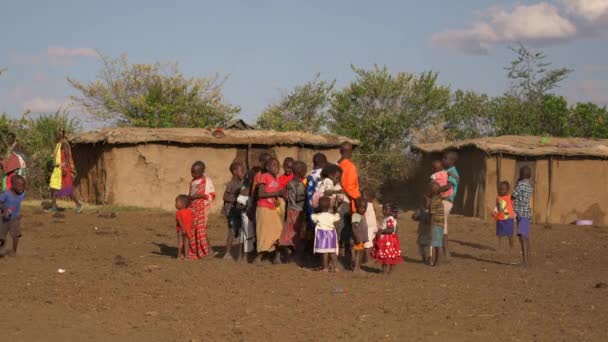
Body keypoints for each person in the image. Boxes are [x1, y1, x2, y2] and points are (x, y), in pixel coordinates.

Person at [255, 158, 284, 264]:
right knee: (265, 234)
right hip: (263, 208)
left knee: (279, 233)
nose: (277, 167)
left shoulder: (276, 179)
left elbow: (274, 194)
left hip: (272, 209)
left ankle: (277, 257)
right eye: (274, 165)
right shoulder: (264, 177)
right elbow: (261, 194)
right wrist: (277, 194)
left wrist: (276, 201)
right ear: (267, 167)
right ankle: (258, 258)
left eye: (278, 165)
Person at [48, 128, 83, 213]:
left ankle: (78, 204)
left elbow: (67, 158)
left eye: (57, 134)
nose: (55, 135)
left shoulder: (64, 143)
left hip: (62, 169)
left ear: (61, 134)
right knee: (53, 187)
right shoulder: (58, 144)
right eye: (55, 134)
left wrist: (64, 168)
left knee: (67, 189)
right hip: (57, 169)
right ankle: (53, 207)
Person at [279, 161, 307, 262]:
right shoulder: (299, 184)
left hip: (290, 209)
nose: (305, 172)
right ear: (300, 172)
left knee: (289, 232)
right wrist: (307, 195)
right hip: (298, 211)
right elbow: (299, 198)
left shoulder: (289, 183)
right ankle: (296, 256)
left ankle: (287, 254)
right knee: (297, 234)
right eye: (304, 170)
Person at [188, 161, 215, 259]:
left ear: (202, 171)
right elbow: (190, 195)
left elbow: (212, 196)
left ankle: (208, 251)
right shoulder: (192, 182)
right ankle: (200, 251)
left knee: (201, 229)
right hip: (193, 208)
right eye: (192, 172)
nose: (193, 174)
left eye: (195, 172)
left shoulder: (207, 181)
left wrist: (201, 195)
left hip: (203, 208)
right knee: (194, 229)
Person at [337, 142, 360, 258]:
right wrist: (358, 199)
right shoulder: (350, 166)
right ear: (350, 152)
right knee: (347, 230)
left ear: (340, 151)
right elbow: (350, 187)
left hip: (338, 201)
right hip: (349, 201)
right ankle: (344, 256)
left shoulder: (337, 165)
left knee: (339, 228)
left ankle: (339, 253)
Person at [222, 162, 246, 261]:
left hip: (241, 211)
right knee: (231, 232)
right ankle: (227, 253)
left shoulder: (244, 183)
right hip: (232, 212)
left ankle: (240, 255)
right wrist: (235, 200)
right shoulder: (231, 184)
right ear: (234, 172)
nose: (243, 172)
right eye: (241, 170)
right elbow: (225, 196)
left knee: (242, 232)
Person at [439, 151, 459, 259]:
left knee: (442, 225)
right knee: (441, 225)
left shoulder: (453, 171)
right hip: (444, 200)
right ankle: (444, 252)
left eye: (445, 158)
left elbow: (447, 186)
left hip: (446, 201)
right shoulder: (447, 171)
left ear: (451, 161)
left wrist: (437, 191)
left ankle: (445, 252)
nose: (443, 160)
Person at [312, 196, 340, 272]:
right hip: (331, 235)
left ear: (319, 206)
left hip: (322, 235)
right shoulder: (331, 216)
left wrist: (314, 209)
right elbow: (337, 217)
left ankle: (325, 268)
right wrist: (336, 210)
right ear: (329, 206)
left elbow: (312, 217)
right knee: (332, 252)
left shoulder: (318, 216)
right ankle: (336, 267)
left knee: (325, 253)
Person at [371, 203, 402, 274]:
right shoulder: (390, 219)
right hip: (391, 240)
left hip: (387, 240)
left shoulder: (389, 219)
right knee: (390, 256)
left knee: (386, 256)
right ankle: (388, 271)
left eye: (386, 210)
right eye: (383, 209)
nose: (384, 211)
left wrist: (382, 231)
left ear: (391, 211)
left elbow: (391, 229)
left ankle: (386, 271)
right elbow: (396, 230)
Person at [0, 175, 26, 257]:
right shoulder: (6, 194)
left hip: (15, 218)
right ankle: (1, 250)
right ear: (13, 185)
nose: (22, 188)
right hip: (4, 218)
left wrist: (19, 213)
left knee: (16, 235)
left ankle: (14, 252)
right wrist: (4, 209)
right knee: (1, 237)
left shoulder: (22, 194)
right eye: (20, 186)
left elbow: (18, 203)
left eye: (23, 185)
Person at [512, 166, 533, 266]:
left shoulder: (520, 185)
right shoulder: (529, 185)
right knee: (526, 237)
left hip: (521, 214)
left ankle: (525, 261)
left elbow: (514, 195)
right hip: (527, 214)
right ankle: (528, 259)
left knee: (522, 238)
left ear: (520, 175)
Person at [494, 181, 515, 251]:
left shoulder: (510, 197)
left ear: (507, 190)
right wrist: (494, 213)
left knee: (510, 234)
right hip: (500, 218)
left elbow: (513, 204)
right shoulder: (498, 198)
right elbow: (497, 206)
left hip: (509, 218)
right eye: (501, 189)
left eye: (504, 189)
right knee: (500, 234)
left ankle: (511, 246)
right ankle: (500, 247)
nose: (502, 191)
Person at [429, 182, 445, 266]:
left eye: (430, 188)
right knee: (438, 242)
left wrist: (431, 228)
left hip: (436, 223)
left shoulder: (434, 200)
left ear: (433, 190)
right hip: (441, 223)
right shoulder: (439, 198)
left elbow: (432, 215)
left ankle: (437, 261)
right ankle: (437, 261)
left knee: (436, 243)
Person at [350, 198, 368, 273]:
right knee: (358, 252)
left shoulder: (361, 215)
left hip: (361, 238)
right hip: (358, 239)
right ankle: (356, 268)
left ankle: (357, 267)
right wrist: (357, 238)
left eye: (364, 208)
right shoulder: (356, 215)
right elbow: (354, 228)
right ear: (357, 207)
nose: (363, 209)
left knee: (360, 252)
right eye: (361, 207)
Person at [175, 194, 194, 260]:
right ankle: (186, 257)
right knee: (186, 243)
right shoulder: (190, 212)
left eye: (177, 202)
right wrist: (190, 228)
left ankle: (179, 256)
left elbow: (179, 221)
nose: (175, 204)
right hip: (188, 230)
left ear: (183, 204)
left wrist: (183, 229)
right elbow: (192, 221)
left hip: (180, 230)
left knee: (180, 243)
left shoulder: (178, 212)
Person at [361, 189, 378, 264]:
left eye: (363, 195)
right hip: (369, 227)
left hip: (371, 227)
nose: (362, 196)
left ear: (369, 197)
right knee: (368, 243)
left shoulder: (368, 205)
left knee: (369, 243)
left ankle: (368, 258)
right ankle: (367, 258)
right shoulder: (367, 205)